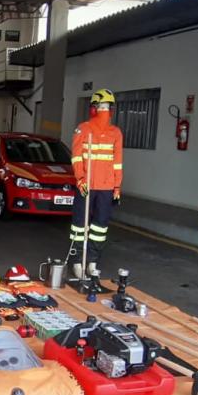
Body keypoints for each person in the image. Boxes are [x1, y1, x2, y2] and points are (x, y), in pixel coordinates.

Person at [68, 88, 123, 280]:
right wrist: (80, 179)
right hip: (87, 185)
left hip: (106, 187)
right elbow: (76, 157)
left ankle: (92, 261)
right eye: (101, 106)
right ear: (93, 108)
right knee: (79, 225)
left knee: (100, 226)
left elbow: (117, 162)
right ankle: (76, 261)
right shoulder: (83, 129)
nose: (104, 110)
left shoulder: (115, 133)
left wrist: (117, 186)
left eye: (107, 106)